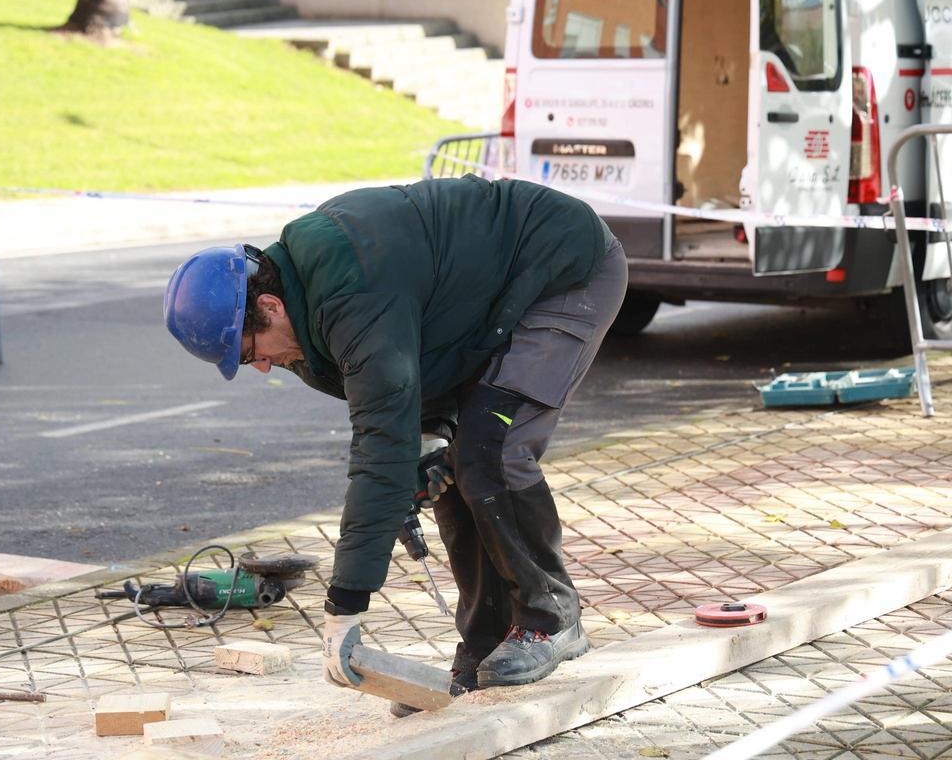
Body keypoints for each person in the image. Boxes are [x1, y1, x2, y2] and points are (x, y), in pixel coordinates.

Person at [163, 175, 627, 710]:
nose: (262, 365)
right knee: (451, 471)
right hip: (483, 311)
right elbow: (406, 395)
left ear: (269, 304)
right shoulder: (305, 335)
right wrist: (423, 454)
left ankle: (552, 620)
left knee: (491, 450)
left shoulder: (348, 291)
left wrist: (345, 605)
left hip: (562, 269)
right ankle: (486, 647)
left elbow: (380, 442)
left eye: (251, 352)